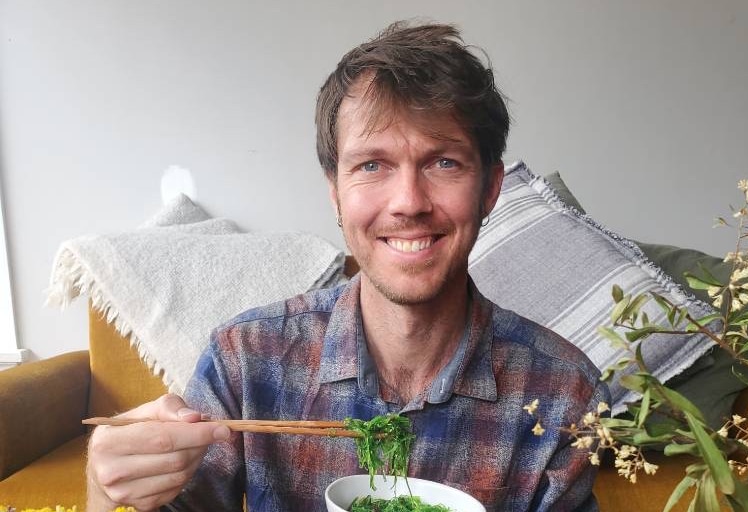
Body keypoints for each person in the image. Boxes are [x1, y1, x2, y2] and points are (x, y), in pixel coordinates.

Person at [87, 21, 610, 512]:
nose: (408, 202)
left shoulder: (564, 392)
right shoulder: (246, 360)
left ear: (490, 188)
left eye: (443, 162)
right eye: (371, 165)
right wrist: (104, 488)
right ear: (336, 192)